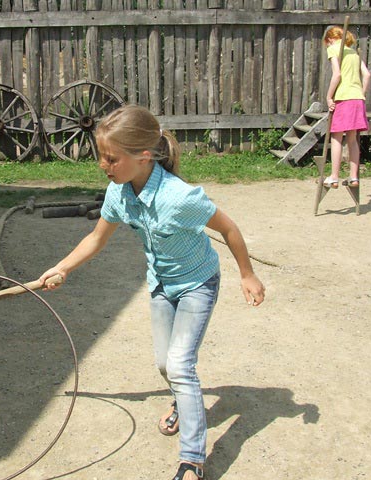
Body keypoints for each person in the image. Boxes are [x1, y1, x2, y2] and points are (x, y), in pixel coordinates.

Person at [39, 105, 265, 480]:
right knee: (165, 364)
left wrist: (247, 274)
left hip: (197, 284)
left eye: (111, 158)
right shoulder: (119, 192)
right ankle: (184, 403)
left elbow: (228, 228)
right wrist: (63, 267)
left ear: (144, 156)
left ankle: (193, 458)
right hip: (161, 283)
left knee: (179, 364)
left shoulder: (180, 197)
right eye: (101, 156)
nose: (103, 165)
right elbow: (96, 238)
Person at [323, 25, 371, 189]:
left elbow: (337, 74)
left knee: (336, 137)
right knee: (352, 138)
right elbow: (367, 75)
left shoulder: (333, 49)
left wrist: (329, 97)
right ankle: (353, 177)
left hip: (343, 97)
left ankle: (334, 177)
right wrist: (360, 93)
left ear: (330, 39)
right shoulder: (353, 52)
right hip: (357, 98)